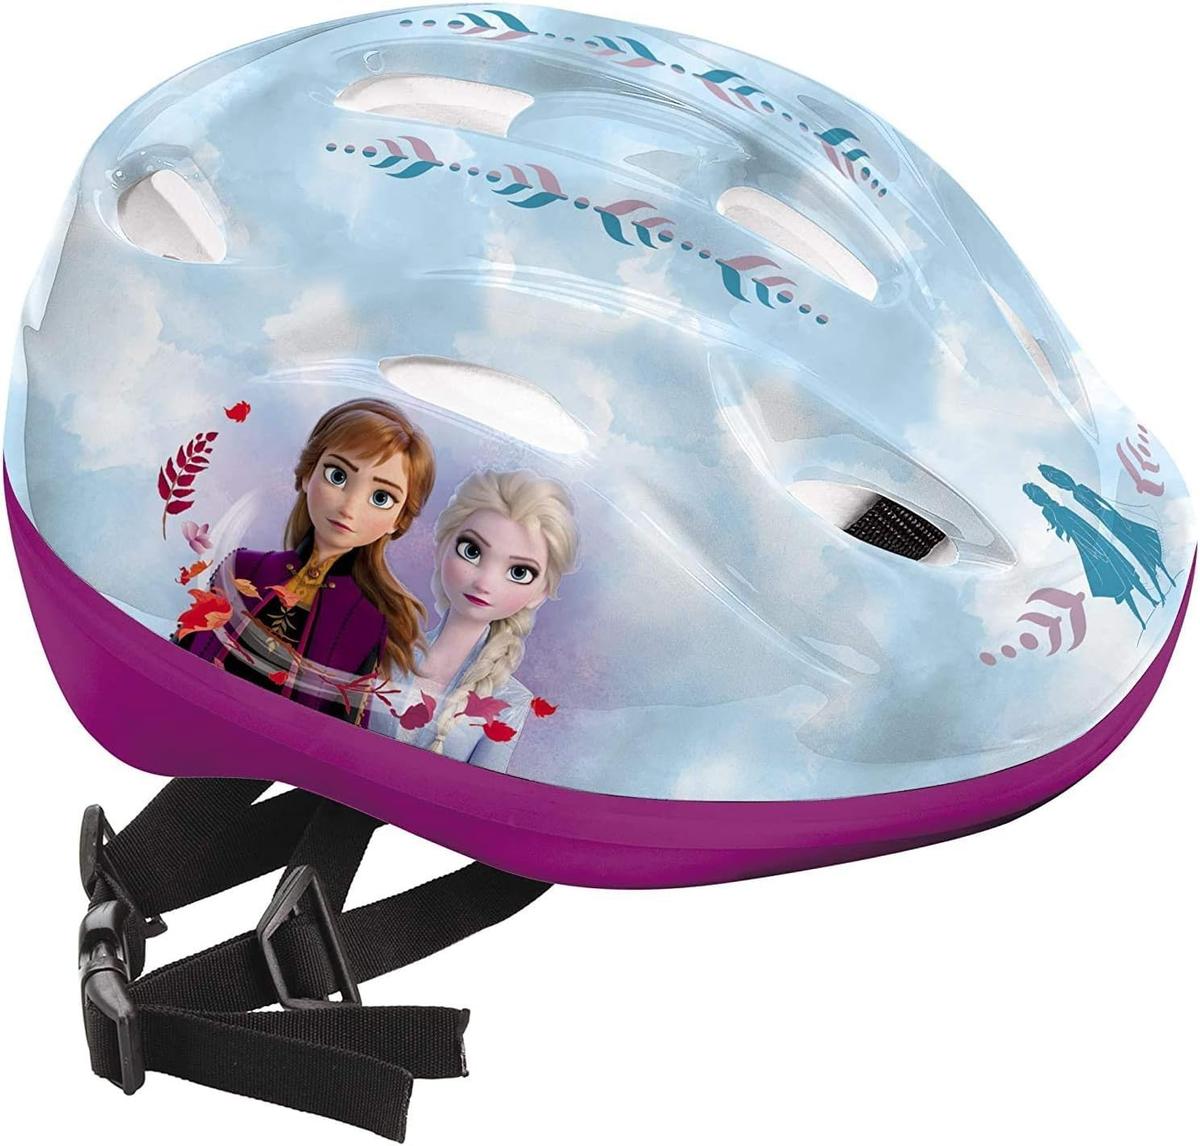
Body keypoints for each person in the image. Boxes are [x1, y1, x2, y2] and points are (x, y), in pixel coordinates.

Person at [176, 397, 436, 723]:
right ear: (306, 475)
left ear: (398, 521)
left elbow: (345, 725)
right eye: (337, 476)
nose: (349, 507)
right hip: (189, 719)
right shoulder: (244, 567)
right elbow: (186, 648)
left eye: (380, 497)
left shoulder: (365, 621)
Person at [370, 468, 580, 768]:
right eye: (471, 551)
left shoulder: (510, 702)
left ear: (540, 592)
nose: (484, 582)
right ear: (442, 546)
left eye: (519, 572)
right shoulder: (382, 653)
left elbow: (480, 791)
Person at [1023, 481, 1156, 630]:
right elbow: (1074, 532)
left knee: (1126, 572)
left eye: (1041, 490)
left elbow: (1079, 524)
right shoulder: (1050, 512)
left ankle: (1152, 600)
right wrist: (1093, 550)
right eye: (1039, 493)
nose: (1043, 494)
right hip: (1089, 545)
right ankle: (1141, 620)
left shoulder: (1058, 507)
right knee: (1119, 584)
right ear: (1036, 499)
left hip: (1094, 538)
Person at [1038, 464, 1175, 603]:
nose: (1061, 482)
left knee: (1139, 544)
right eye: (1056, 481)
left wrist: (1120, 518)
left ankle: (1167, 578)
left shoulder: (1081, 489)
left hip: (1111, 518)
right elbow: (1090, 516)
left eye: (1059, 478)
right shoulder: (1074, 497)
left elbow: (1104, 503)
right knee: (1136, 551)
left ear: (1064, 476)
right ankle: (1160, 592)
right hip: (1107, 523)